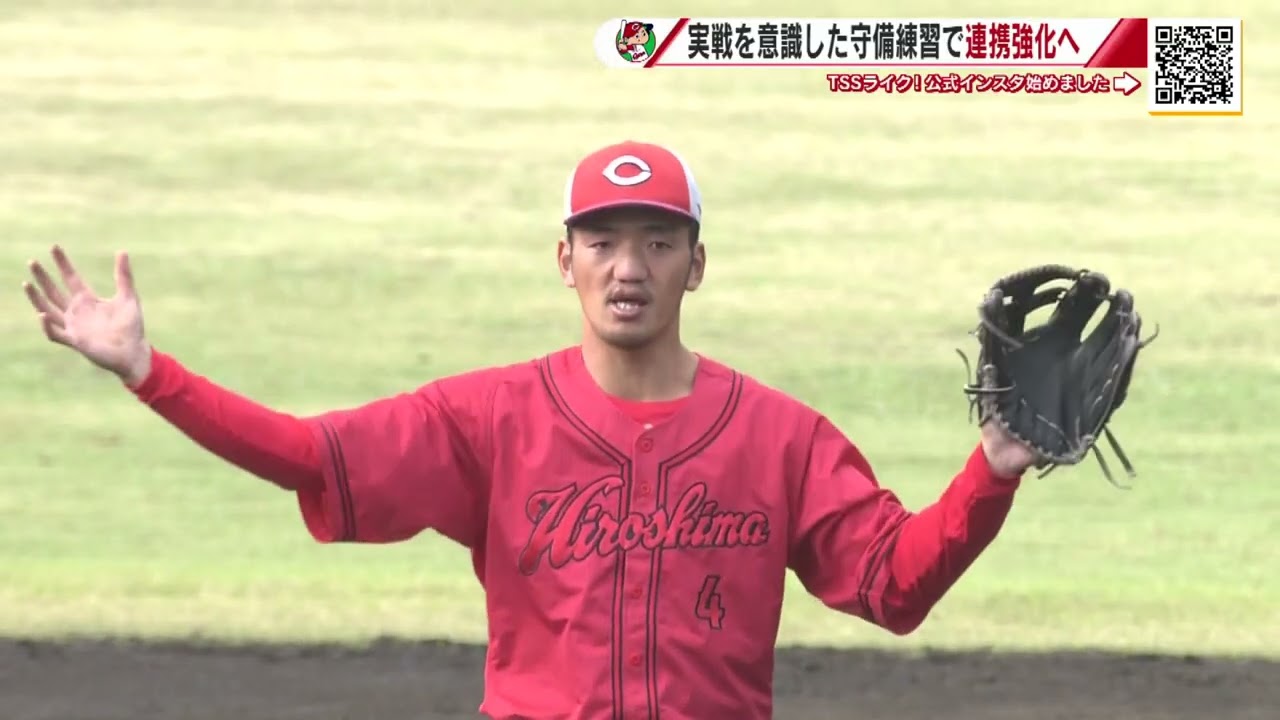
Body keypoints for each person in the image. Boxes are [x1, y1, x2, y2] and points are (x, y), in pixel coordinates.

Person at [21, 140, 1037, 720]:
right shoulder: (485, 421)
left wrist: (988, 472)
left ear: (696, 265)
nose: (628, 267)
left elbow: (892, 584)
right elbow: (305, 454)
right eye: (602, 242)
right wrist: (151, 375)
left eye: (658, 243)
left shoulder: (780, 438)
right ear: (565, 262)